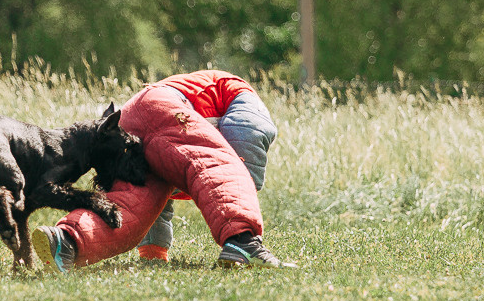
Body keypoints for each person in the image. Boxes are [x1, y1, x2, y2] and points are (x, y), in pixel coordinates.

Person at [31, 69, 294, 271]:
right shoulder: (241, 94)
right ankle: (243, 241)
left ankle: (66, 242)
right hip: (158, 106)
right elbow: (247, 138)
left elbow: (157, 205)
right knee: (216, 163)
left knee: (128, 206)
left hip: (128, 124)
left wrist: (153, 253)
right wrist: (244, 195)